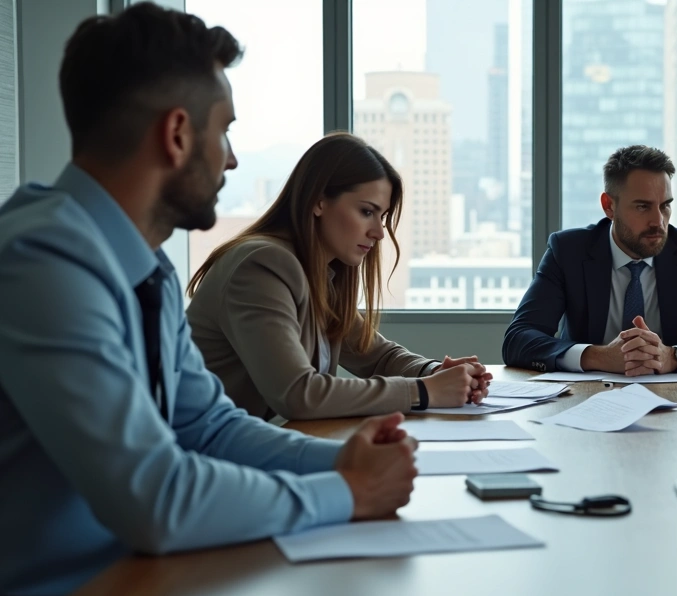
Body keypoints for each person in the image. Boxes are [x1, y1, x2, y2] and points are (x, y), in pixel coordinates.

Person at [0, 6, 418, 596]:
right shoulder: (41, 262)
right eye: (224, 132)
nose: (231, 161)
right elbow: (156, 497)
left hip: (140, 579)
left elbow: (209, 425)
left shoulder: (144, 267)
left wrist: (341, 463)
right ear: (176, 134)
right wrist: (350, 494)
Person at [186, 133, 491, 421]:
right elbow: (298, 394)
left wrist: (434, 372)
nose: (379, 232)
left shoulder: (316, 272)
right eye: (366, 211)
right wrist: (425, 392)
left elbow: (376, 356)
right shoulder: (263, 266)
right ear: (319, 201)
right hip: (201, 457)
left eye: (381, 216)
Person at [503, 145, 677, 375]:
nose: (658, 221)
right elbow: (518, 339)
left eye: (665, 205)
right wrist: (600, 357)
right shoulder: (569, 252)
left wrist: (676, 356)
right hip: (585, 400)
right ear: (609, 206)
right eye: (642, 207)